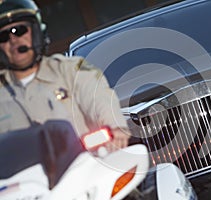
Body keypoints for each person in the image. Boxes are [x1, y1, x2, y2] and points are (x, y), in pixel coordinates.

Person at [0, 0, 130, 152]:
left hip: (87, 163)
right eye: (3, 36)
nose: (13, 40)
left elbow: (96, 97)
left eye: (19, 30)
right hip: (27, 174)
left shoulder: (70, 70)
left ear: (36, 32)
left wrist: (114, 127)